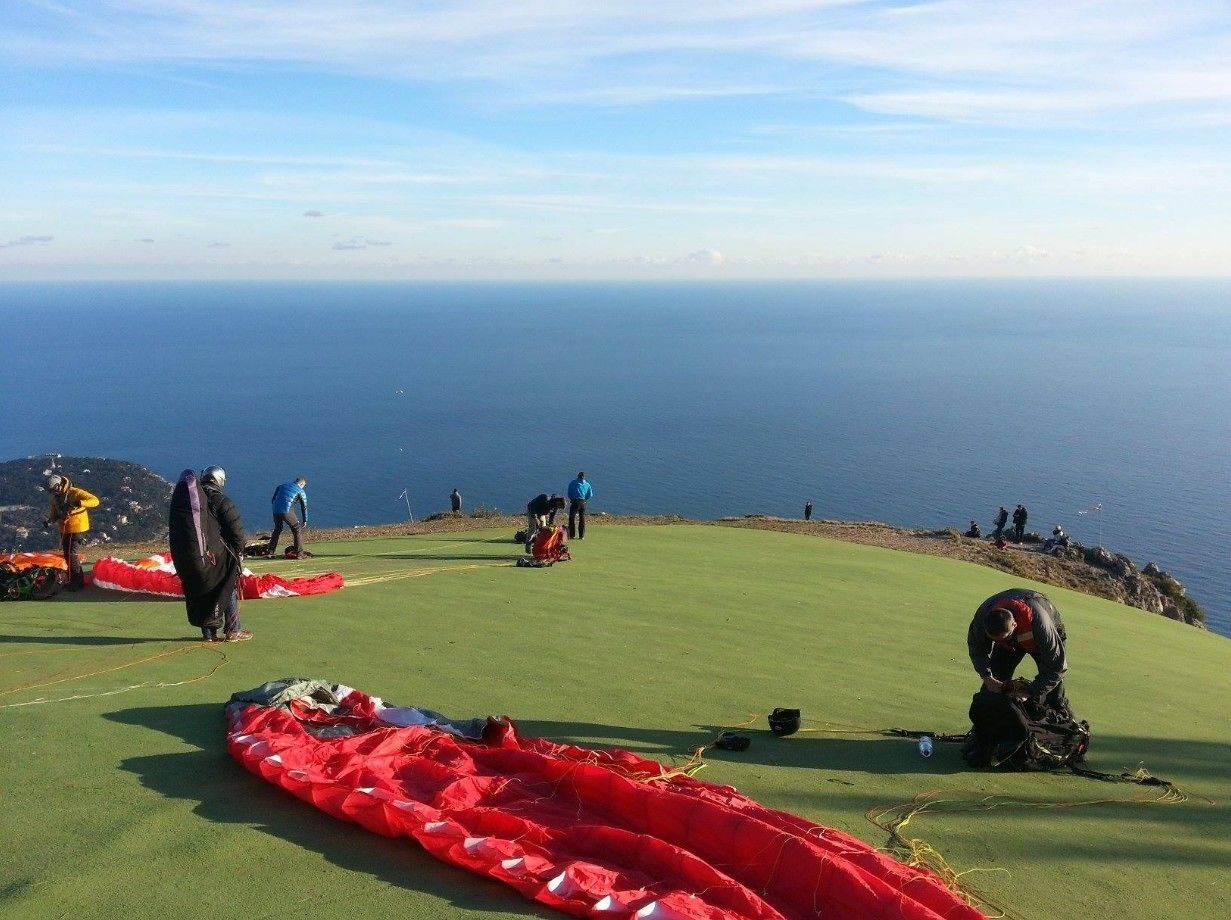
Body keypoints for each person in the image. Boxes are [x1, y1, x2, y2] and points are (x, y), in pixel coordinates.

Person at [967, 588, 1072, 718]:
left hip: (1042, 630)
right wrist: (987, 678)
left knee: (1053, 694)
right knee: (993, 686)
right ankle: (986, 729)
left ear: (1014, 625)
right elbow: (977, 649)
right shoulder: (982, 617)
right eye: (996, 640)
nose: (1002, 642)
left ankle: (1060, 728)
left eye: (1005, 639)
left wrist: (1029, 692)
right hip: (1014, 633)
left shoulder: (1042, 626)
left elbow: (1057, 668)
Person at [169, 469, 243, 642]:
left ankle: (208, 634)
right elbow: (236, 531)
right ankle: (233, 629)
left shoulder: (194, 501)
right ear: (219, 480)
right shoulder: (221, 501)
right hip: (218, 554)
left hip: (196, 555)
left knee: (202, 589)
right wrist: (238, 552)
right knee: (228, 586)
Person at [44, 474, 99, 591]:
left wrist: (79, 503)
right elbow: (54, 513)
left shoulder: (75, 492)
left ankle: (77, 582)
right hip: (64, 529)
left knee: (72, 555)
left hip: (77, 528)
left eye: (55, 489)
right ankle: (75, 580)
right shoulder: (55, 498)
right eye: (52, 491)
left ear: (59, 485)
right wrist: (49, 521)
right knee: (67, 556)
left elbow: (95, 501)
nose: (54, 492)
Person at [267, 476, 309, 558]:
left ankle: (270, 552)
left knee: (277, 529)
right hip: (287, 511)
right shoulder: (301, 491)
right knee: (297, 529)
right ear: (302, 484)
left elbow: (273, 500)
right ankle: (299, 554)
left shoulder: (281, 486)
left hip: (275, 510)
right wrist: (305, 520)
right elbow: (304, 507)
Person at [567, 472, 593, 540]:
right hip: (583, 502)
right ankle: (581, 536)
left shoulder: (573, 483)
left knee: (572, 518)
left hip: (575, 502)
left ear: (578, 476)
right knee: (582, 518)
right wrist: (585, 499)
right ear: (584, 477)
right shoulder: (587, 484)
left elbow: (569, 493)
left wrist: (572, 499)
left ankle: (572, 535)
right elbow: (589, 495)